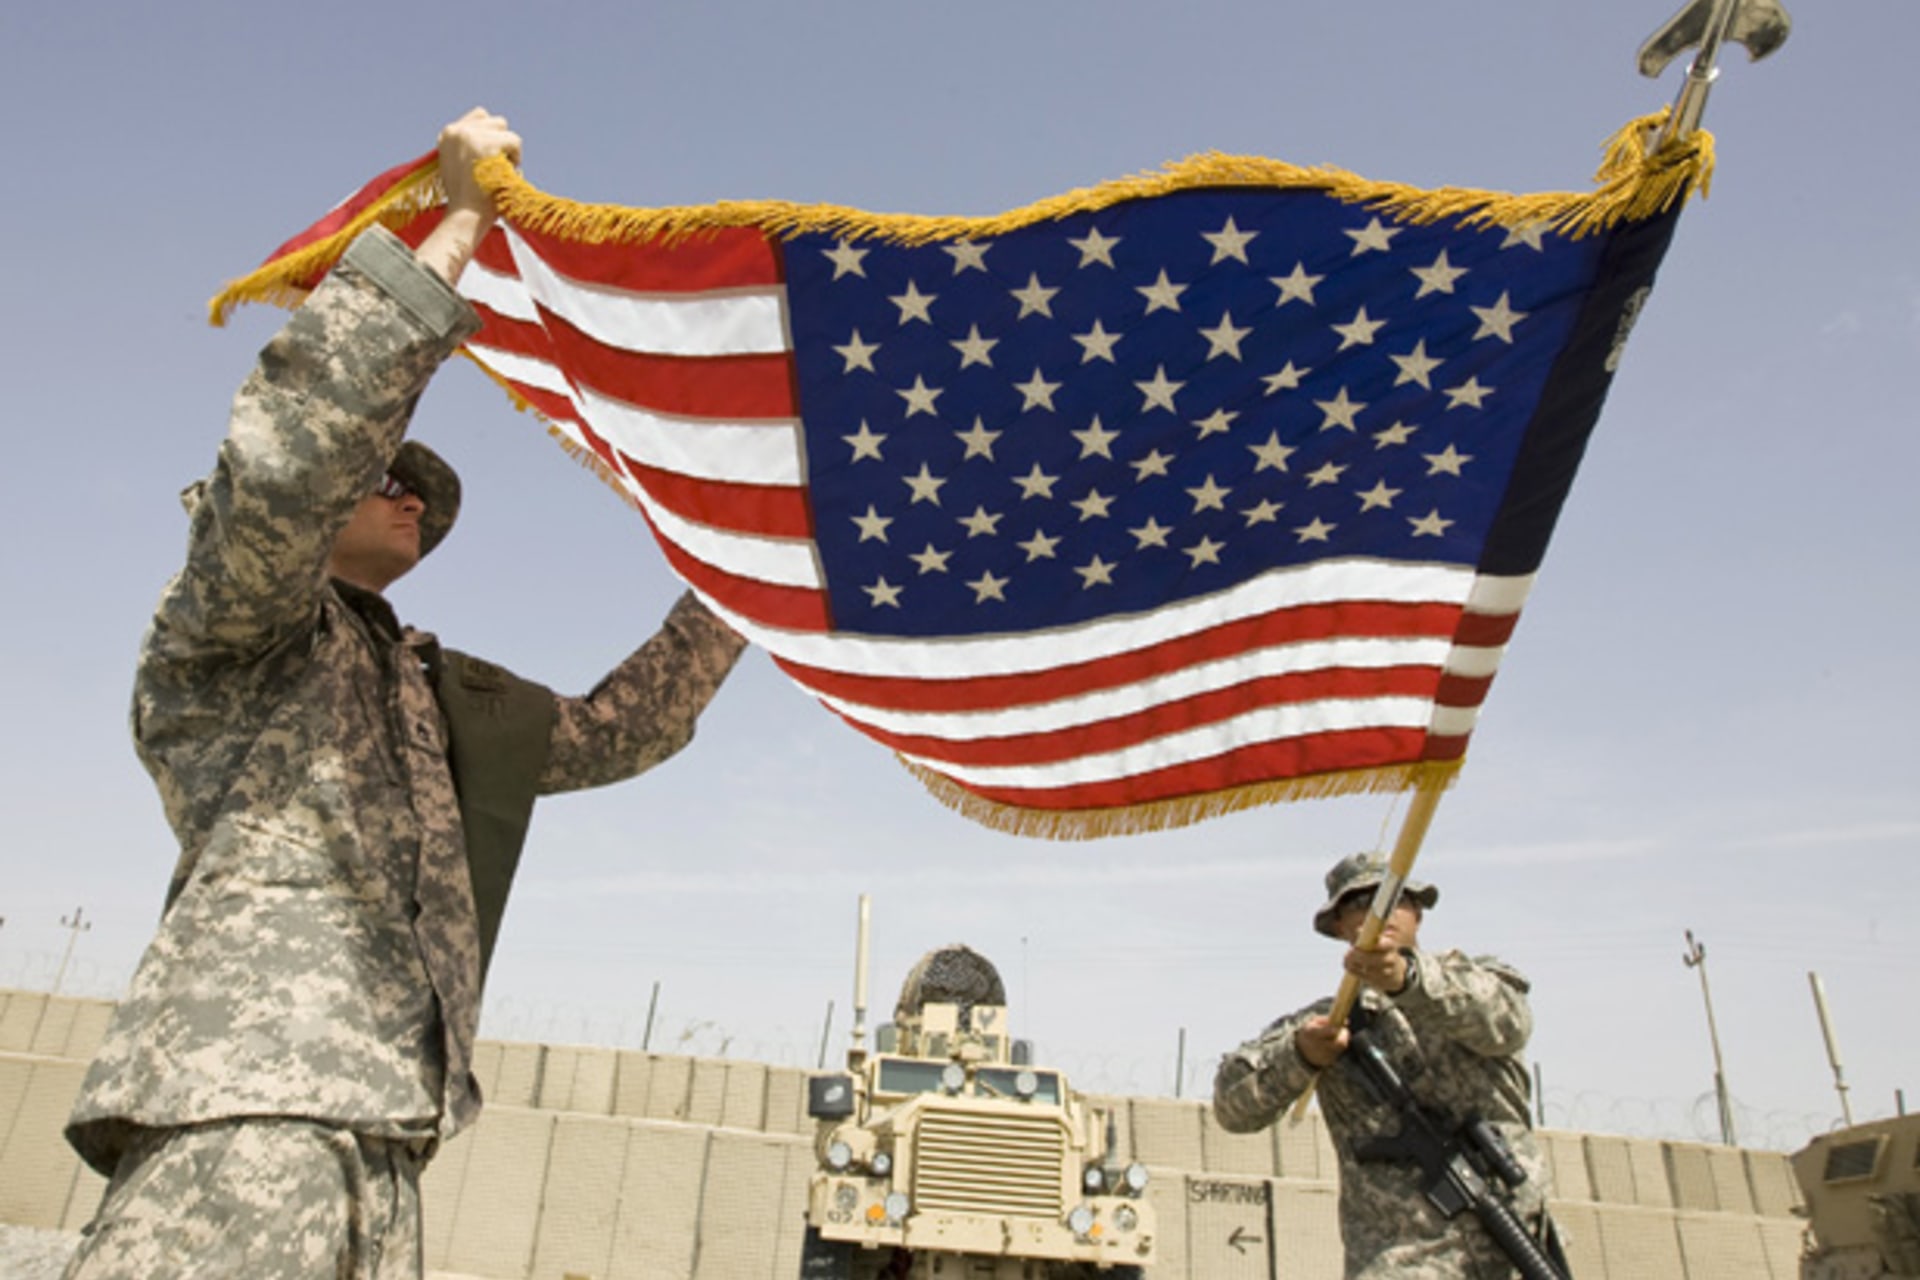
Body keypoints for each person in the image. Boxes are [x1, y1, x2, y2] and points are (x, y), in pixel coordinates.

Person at [61, 109, 747, 1279]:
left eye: (419, 489)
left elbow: (624, 728)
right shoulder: (231, 629)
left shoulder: (433, 694)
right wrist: (459, 224)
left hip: (388, 1134)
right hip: (247, 1108)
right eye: (385, 477)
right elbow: (294, 448)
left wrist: (746, 573)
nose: (410, 496)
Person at [1212, 853, 1561, 1279]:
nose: (1376, 913)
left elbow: (1508, 1023)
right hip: (1404, 1262)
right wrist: (1299, 1056)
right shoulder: (1330, 1023)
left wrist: (1407, 980)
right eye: (1359, 904)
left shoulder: (1474, 983)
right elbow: (1231, 1105)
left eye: (1392, 899)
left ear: (1416, 912)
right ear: (1340, 926)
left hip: (1512, 1251)